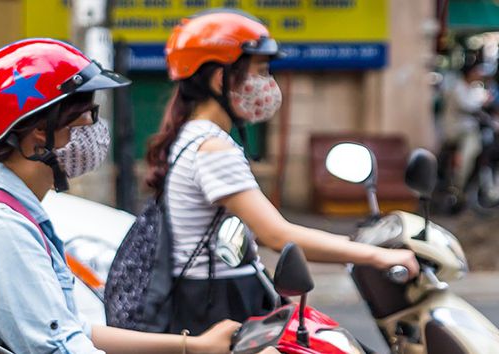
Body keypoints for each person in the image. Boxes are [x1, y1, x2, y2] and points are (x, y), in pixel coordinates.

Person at [0, 38, 272, 354]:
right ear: (40, 133)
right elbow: (59, 349)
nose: (96, 131)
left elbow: (68, 328)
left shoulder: (11, 212)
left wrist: (195, 346)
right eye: (88, 117)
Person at [145, 9, 420, 334]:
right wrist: (377, 256)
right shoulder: (212, 148)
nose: (266, 84)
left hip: (214, 294)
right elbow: (277, 235)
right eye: (259, 71)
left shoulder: (192, 136)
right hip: (217, 303)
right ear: (221, 77)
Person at [440, 59, 492, 192]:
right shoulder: (458, 88)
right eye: (477, 71)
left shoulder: (472, 89)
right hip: (457, 130)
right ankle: (459, 183)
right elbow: (468, 107)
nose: (480, 74)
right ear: (470, 73)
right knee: (472, 148)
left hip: (467, 129)